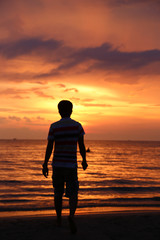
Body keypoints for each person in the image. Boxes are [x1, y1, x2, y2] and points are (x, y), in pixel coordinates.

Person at [42, 100, 88, 234]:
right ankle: (71, 216)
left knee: (58, 193)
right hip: (71, 165)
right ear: (71, 110)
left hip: (57, 165)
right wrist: (84, 160)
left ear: (59, 111)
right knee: (73, 193)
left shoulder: (54, 126)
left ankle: (58, 219)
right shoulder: (77, 126)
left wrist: (45, 163)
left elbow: (49, 147)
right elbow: (81, 146)